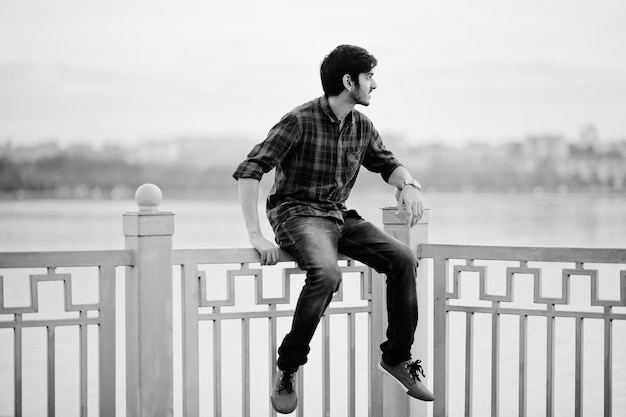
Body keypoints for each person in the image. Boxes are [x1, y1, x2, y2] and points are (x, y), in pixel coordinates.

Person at [232, 44, 434, 414]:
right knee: (326, 274)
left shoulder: (361, 126)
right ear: (348, 81)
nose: (375, 83)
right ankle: (288, 366)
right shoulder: (299, 120)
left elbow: (388, 164)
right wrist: (255, 234)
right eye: (369, 76)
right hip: (297, 214)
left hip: (338, 215)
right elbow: (250, 170)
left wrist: (408, 185)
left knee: (403, 258)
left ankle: (397, 358)